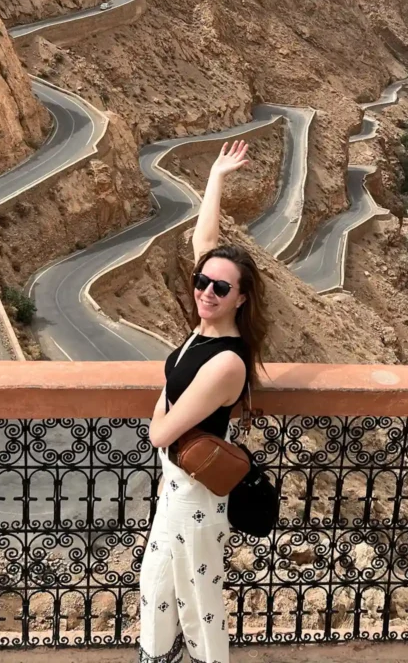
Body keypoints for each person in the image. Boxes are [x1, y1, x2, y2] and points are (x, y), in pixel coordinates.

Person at [138, 139, 271, 663]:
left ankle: (200, 659)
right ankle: (157, 654)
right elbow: (205, 239)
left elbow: (161, 434)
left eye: (220, 286)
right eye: (201, 282)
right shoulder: (205, 327)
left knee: (198, 597)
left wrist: (159, 400)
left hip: (195, 495)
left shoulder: (227, 362)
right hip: (177, 486)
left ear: (241, 297)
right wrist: (216, 176)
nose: (206, 291)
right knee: (161, 582)